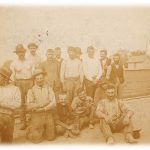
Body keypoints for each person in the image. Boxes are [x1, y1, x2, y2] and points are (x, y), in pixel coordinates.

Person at [26, 69, 56, 143]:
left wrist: (44, 108)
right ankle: (30, 130)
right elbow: (29, 105)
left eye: (41, 78)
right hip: (36, 115)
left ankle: (44, 129)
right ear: (35, 79)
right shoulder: (31, 90)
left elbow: (53, 102)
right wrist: (43, 104)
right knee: (36, 140)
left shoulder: (49, 88)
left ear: (44, 78)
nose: (39, 80)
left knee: (51, 138)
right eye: (37, 78)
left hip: (47, 113)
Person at [10, 44, 33, 130]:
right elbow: (12, 76)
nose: (21, 53)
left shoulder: (30, 62)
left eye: (22, 52)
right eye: (19, 52)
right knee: (21, 104)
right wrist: (15, 85)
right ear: (16, 53)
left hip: (29, 82)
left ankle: (31, 121)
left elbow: (33, 73)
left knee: (31, 101)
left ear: (24, 52)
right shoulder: (13, 63)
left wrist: (33, 83)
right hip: (19, 83)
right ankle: (23, 122)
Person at [0, 66, 21, 143]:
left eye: (0, 76)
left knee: (7, 142)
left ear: (5, 78)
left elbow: (17, 104)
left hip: (8, 115)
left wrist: (2, 104)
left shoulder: (14, 89)